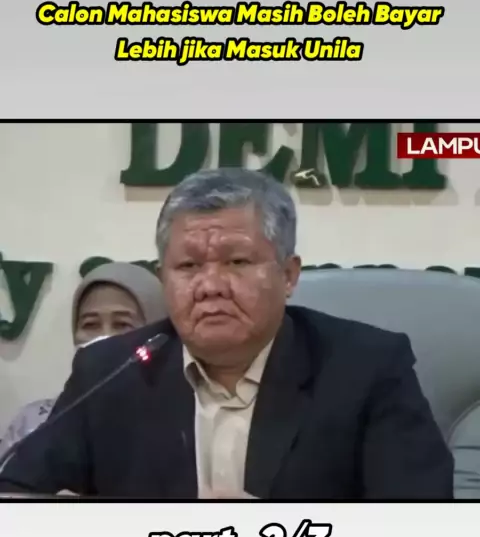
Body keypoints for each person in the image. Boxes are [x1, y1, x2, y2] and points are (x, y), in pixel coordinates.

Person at [0, 167, 454, 498]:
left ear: (288, 275)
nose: (210, 286)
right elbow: (17, 491)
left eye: (237, 262)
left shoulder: (367, 370)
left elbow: (421, 533)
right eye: (188, 266)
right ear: (163, 278)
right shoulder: (110, 370)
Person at [0, 261, 165, 461]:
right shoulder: (34, 422)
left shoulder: (182, 421)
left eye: (122, 324)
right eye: (90, 325)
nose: (104, 338)